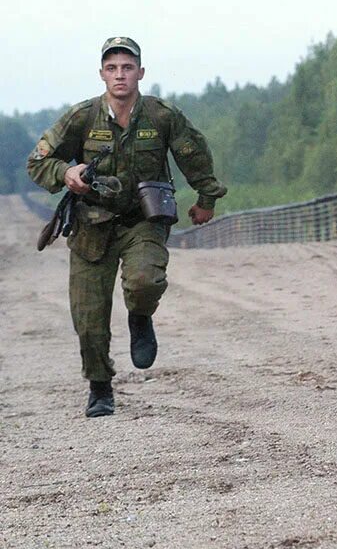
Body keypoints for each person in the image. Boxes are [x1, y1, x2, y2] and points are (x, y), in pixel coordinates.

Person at [27, 36, 226, 417]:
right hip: (91, 226)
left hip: (143, 222)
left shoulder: (162, 116)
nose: (120, 75)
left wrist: (206, 199)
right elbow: (38, 162)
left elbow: (194, 155)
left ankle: (140, 318)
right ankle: (100, 388)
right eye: (112, 68)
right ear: (102, 74)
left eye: (128, 67)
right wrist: (66, 172)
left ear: (141, 72)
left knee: (145, 281)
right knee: (89, 319)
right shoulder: (82, 117)